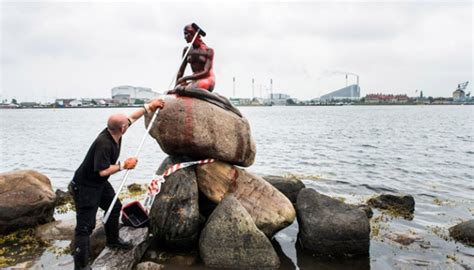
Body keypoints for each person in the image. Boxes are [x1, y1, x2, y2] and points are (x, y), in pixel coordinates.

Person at [71, 98, 164, 270]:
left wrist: (149, 107)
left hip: (99, 183)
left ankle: (113, 241)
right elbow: (102, 171)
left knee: (114, 207)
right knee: (85, 227)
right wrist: (123, 165)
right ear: (121, 128)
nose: (128, 124)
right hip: (86, 185)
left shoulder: (115, 131)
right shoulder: (104, 143)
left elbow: (132, 118)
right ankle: (81, 266)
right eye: (126, 124)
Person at [175, 23, 215, 92]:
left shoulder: (208, 50)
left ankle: (217, 99)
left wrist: (186, 78)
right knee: (179, 88)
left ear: (193, 34)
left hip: (207, 79)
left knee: (190, 90)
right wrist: (175, 87)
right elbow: (180, 71)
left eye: (186, 34)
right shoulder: (187, 50)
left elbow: (206, 72)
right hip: (194, 80)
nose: (185, 37)